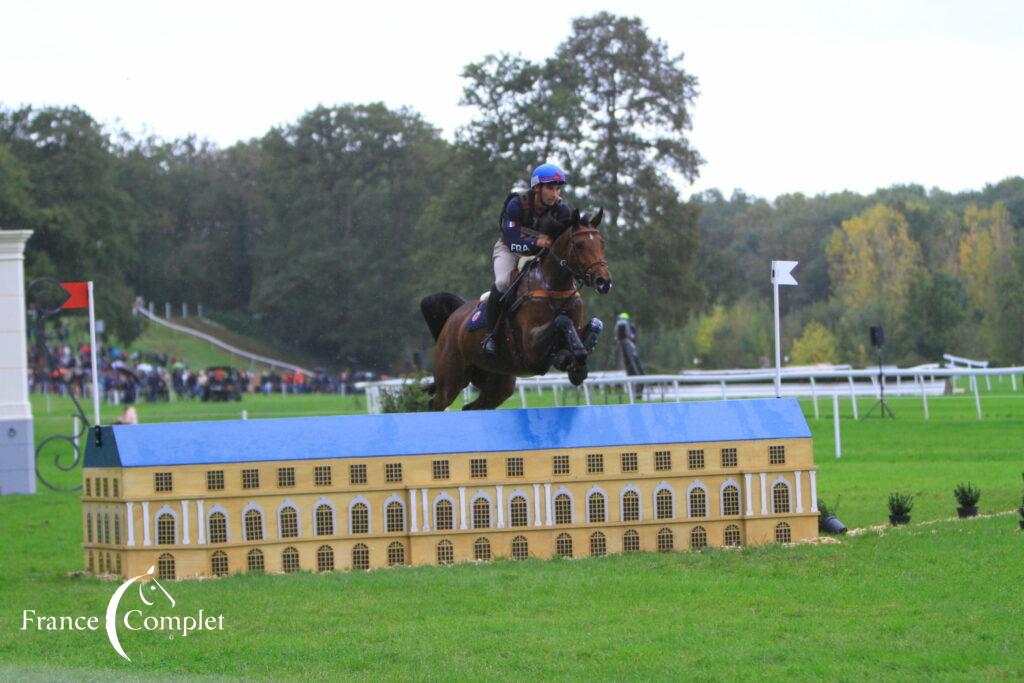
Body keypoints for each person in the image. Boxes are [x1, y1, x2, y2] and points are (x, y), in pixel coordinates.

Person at [482, 163, 574, 356]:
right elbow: (512, 239)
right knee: (502, 282)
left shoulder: (562, 209)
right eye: (550, 188)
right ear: (537, 188)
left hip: (541, 253)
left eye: (558, 188)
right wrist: (537, 244)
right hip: (510, 249)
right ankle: (491, 335)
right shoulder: (516, 204)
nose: (555, 194)